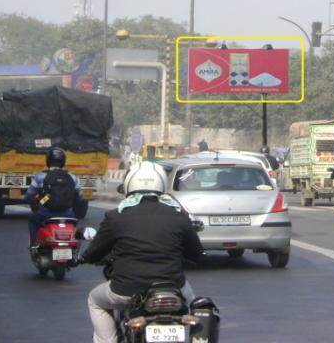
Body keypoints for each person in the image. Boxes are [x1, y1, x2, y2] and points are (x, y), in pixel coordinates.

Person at [80, 160, 203, 343]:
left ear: (129, 183)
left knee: (94, 300)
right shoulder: (179, 215)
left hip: (125, 289)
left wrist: (85, 258)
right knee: (196, 306)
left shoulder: (116, 216)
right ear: (161, 183)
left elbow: (95, 252)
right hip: (173, 287)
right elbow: (196, 254)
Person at [24, 147, 86, 247]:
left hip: (45, 214)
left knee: (32, 221)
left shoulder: (40, 177)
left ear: (48, 161)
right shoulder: (72, 177)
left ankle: (34, 244)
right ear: (63, 162)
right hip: (68, 214)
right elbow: (80, 198)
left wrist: (40, 201)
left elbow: (29, 196)